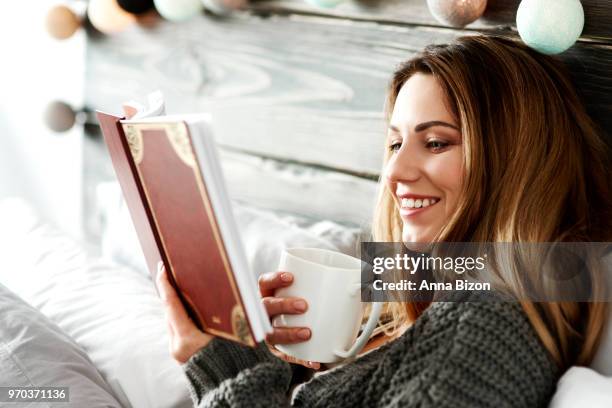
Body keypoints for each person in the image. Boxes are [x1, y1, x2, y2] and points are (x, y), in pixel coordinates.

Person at [156, 34, 612, 407]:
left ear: (515, 163)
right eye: (395, 144)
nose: (394, 173)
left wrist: (220, 363)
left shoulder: (485, 325)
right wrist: (283, 368)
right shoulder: (432, 300)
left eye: (435, 143)